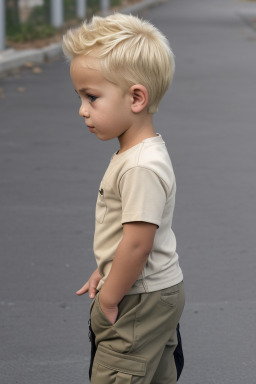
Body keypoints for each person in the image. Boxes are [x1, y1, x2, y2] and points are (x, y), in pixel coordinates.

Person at [62, 13, 185, 384]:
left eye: (91, 97)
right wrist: (106, 267)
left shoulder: (139, 167)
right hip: (155, 290)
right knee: (154, 373)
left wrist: (110, 298)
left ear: (135, 97)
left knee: (117, 372)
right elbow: (126, 234)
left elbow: (137, 243)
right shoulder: (139, 154)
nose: (82, 109)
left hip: (139, 297)